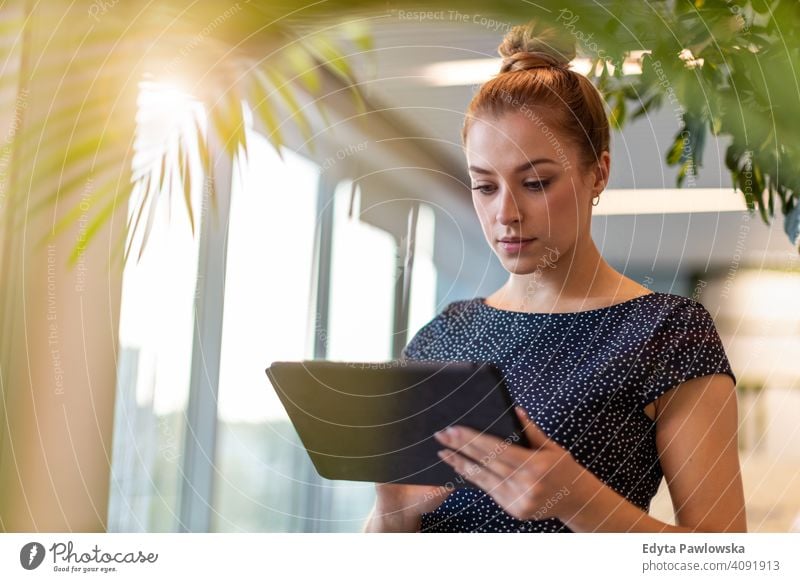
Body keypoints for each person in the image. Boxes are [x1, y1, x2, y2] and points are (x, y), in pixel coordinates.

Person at [363, 21, 746, 533]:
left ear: (599, 173)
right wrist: (392, 514)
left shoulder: (668, 334)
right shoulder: (442, 339)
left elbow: (723, 562)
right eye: (484, 187)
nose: (506, 213)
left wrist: (577, 499)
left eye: (536, 182)